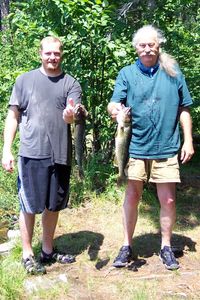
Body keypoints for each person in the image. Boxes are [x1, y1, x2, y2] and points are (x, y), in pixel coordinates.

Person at [107, 25, 194, 270]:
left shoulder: (173, 72)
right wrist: (115, 111)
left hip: (166, 147)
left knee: (167, 200)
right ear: (136, 48)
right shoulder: (127, 73)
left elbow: (184, 108)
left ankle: (166, 246)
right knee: (132, 196)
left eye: (151, 44)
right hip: (134, 147)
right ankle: (126, 246)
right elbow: (114, 103)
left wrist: (187, 140)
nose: (147, 49)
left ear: (159, 46)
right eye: (142, 45)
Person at [1, 36, 83, 275]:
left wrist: (70, 116)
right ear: (40, 54)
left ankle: (47, 250)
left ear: (62, 55)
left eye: (56, 53)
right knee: (28, 205)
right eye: (48, 53)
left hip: (60, 155)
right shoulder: (25, 81)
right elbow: (13, 116)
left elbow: (74, 116)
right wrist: (6, 149)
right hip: (31, 153)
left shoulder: (71, 83)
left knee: (53, 205)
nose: (52, 57)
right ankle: (27, 253)